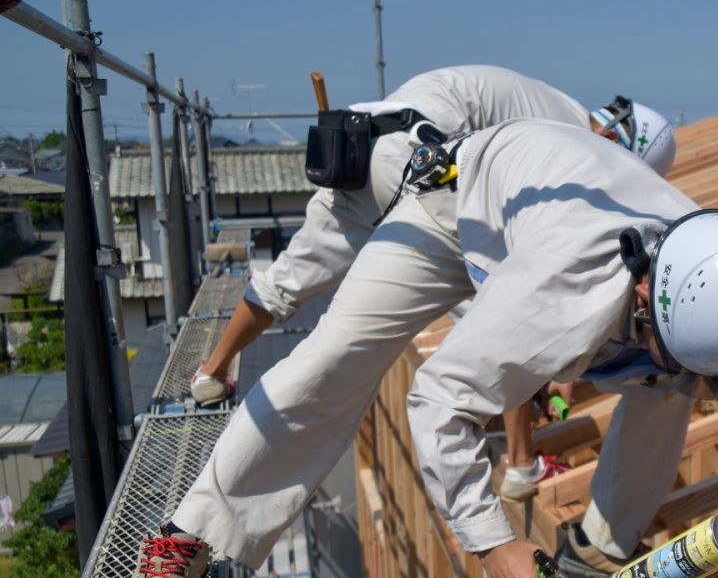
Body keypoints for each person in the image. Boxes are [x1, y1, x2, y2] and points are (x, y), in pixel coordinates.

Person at [114, 119, 718, 578]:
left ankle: (595, 548)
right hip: (454, 215)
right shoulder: (566, 291)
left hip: (542, 216)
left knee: (670, 384)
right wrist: (495, 540)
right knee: (333, 360)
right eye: (692, 358)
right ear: (646, 291)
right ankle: (191, 532)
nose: (717, 383)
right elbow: (436, 401)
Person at [188, 65, 674, 495]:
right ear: (614, 144)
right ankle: (523, 465)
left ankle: (211, 372)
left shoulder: (547, 100)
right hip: (420, 158)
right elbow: (534, 274)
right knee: (508, 314)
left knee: (285, 282)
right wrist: (555, 365)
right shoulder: (573, 145)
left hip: (359, 147)